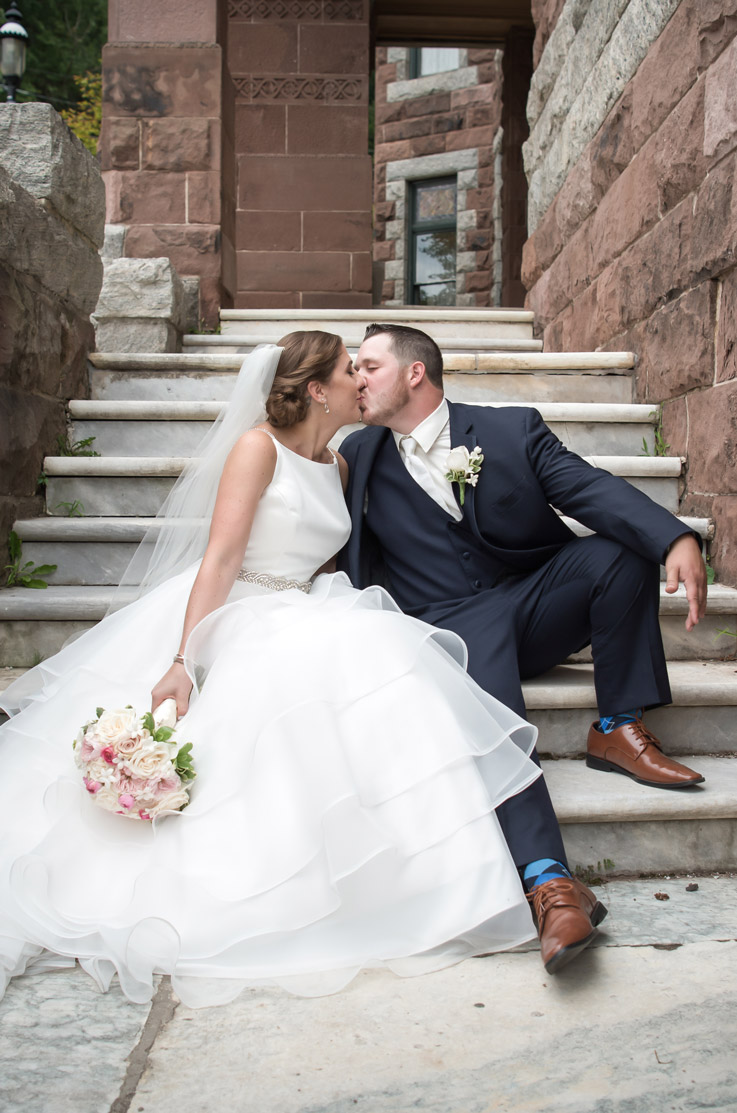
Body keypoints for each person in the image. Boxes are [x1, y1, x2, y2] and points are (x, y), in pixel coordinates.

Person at [0, 331, 561, 1009]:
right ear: (317, 389)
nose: (362, 379)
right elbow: (222, 557)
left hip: (309, 605)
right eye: (349, 370)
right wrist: (184, 659)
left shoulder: (343, 463)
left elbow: (329, 561)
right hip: (237, 608)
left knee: (385, 671)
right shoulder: (256, 448)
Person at [338, 323, 708, 966]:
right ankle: (550, 883)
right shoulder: (357, 455)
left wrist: (675, 538)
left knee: (618, 553)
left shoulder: (510, 430)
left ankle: (618, 727)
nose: (357, 379)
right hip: (447, 627)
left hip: (528, 603)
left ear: (416, 374)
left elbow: (589, 489)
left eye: (368, 366)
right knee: (487, 704)